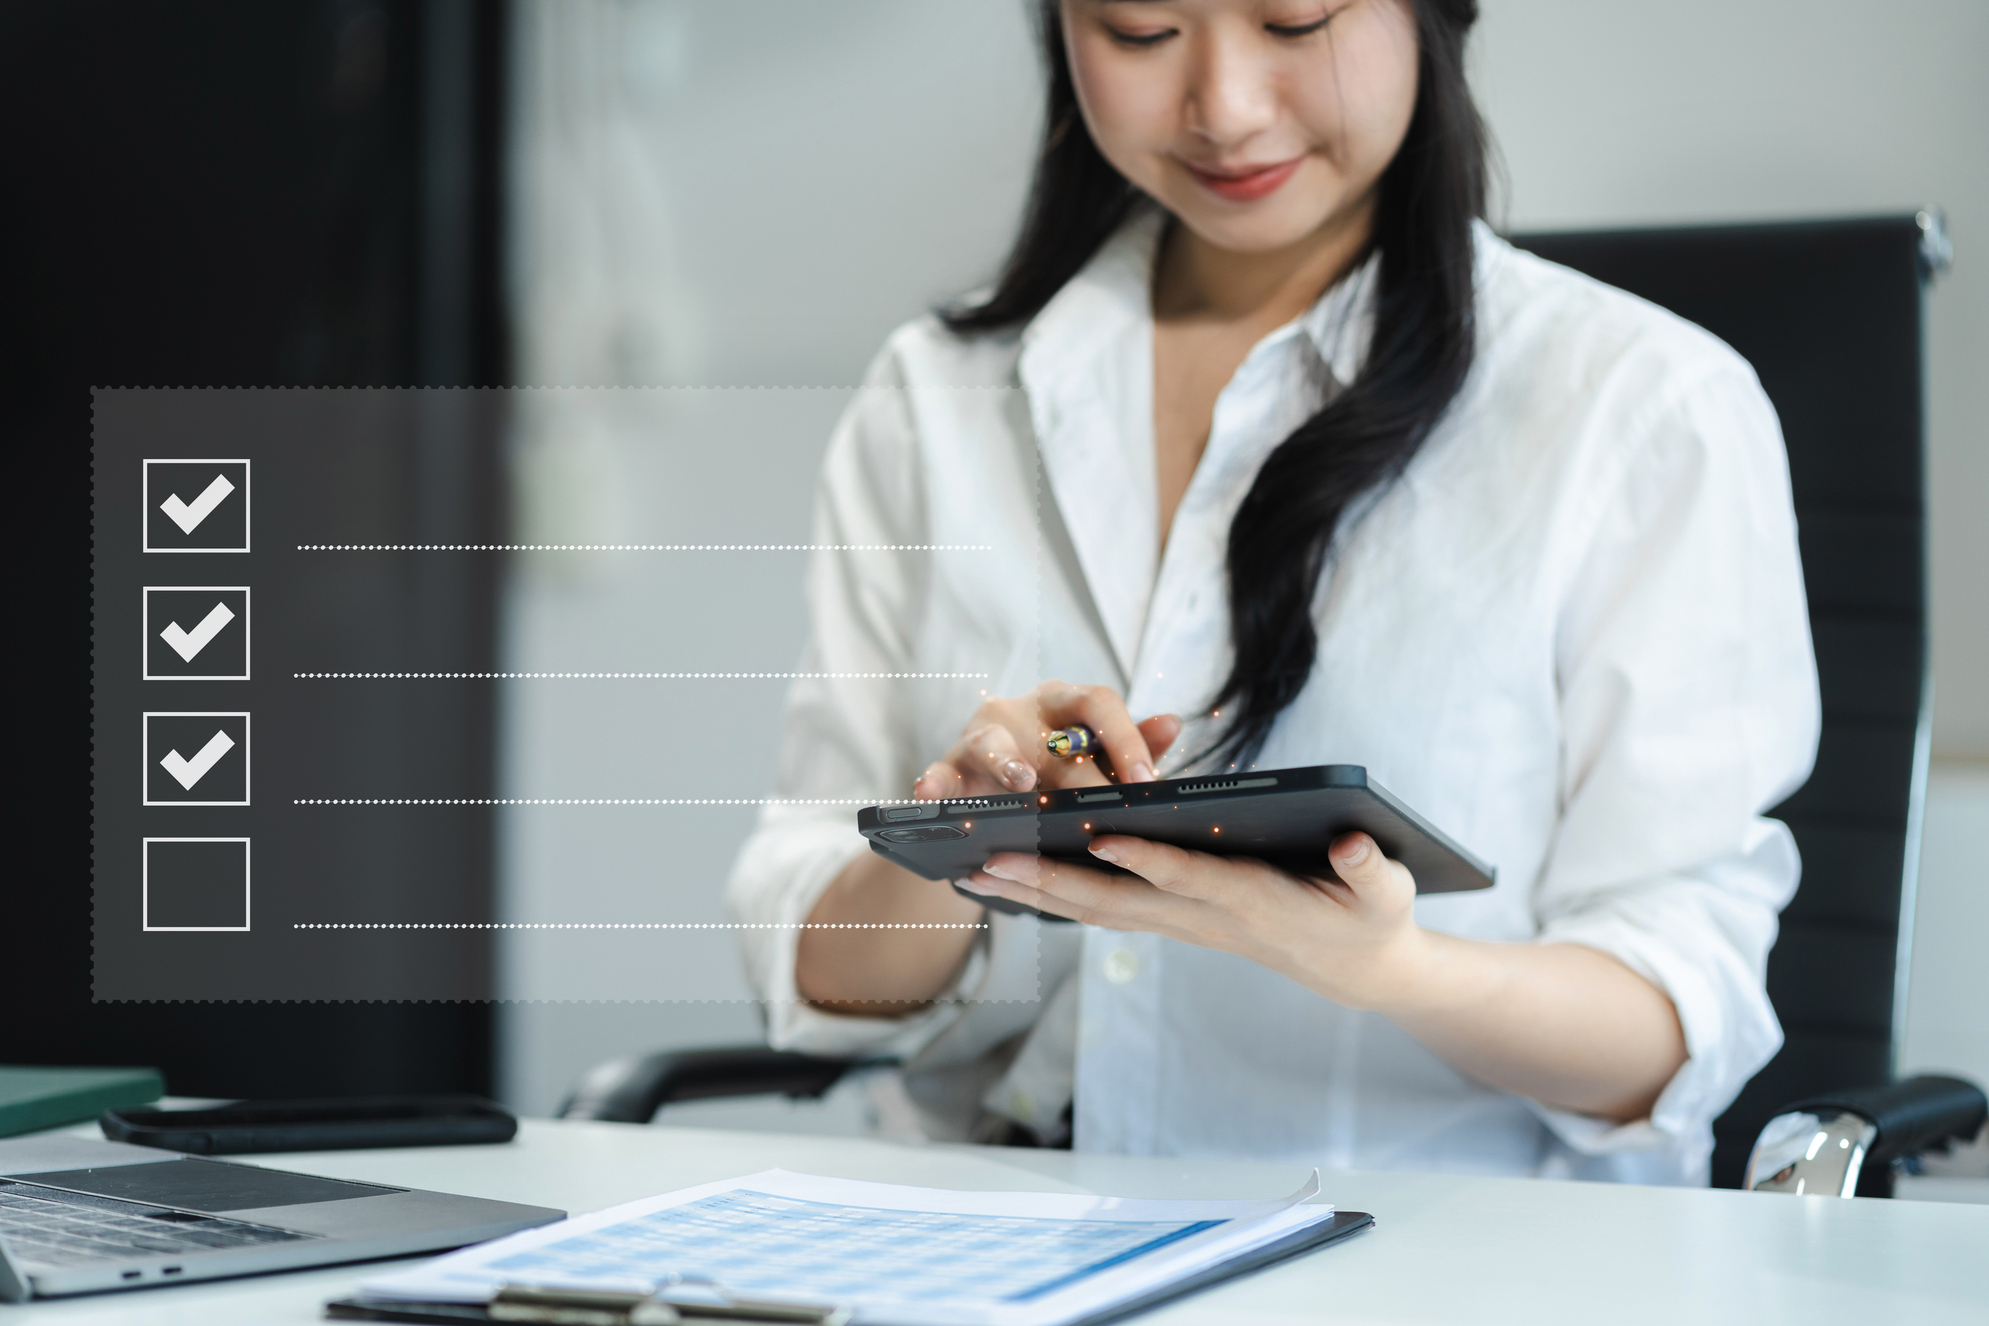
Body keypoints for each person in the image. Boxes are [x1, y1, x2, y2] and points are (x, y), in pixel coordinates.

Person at [727, 0, 1818, 1184]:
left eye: (1295, 20)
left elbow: (1674, 1032)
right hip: (989, 1220)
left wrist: (1393, 970)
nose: (1227, 109)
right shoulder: (936, 399)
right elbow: (823, 976)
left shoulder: (1642, 411)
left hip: (1430, 1245)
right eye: (1142, 31)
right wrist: (960, 839)